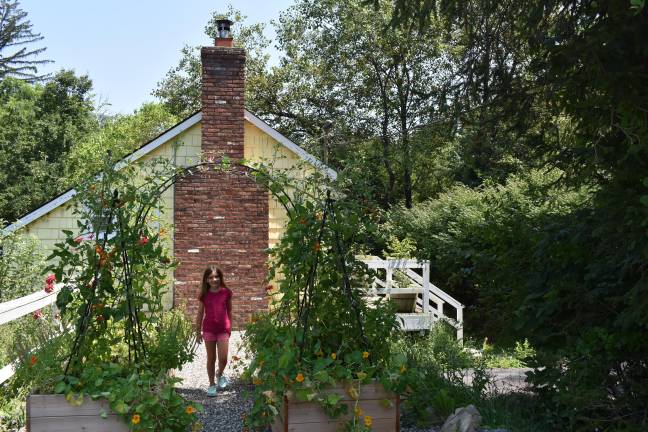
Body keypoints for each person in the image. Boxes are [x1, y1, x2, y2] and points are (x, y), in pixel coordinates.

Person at [195, 266, 233, 397]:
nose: (214, 279)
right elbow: (200, 313)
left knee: (223, 359)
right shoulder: (204, 295)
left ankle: (220, 374)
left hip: (223, 330)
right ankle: (211, 384)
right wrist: (197, 332)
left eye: (216, 276)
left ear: (220, 278)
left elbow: (230, 311)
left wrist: (230, 327)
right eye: (211, 277)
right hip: (209, 330)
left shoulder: (226, 292)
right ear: (206, 280)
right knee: (211, 358)